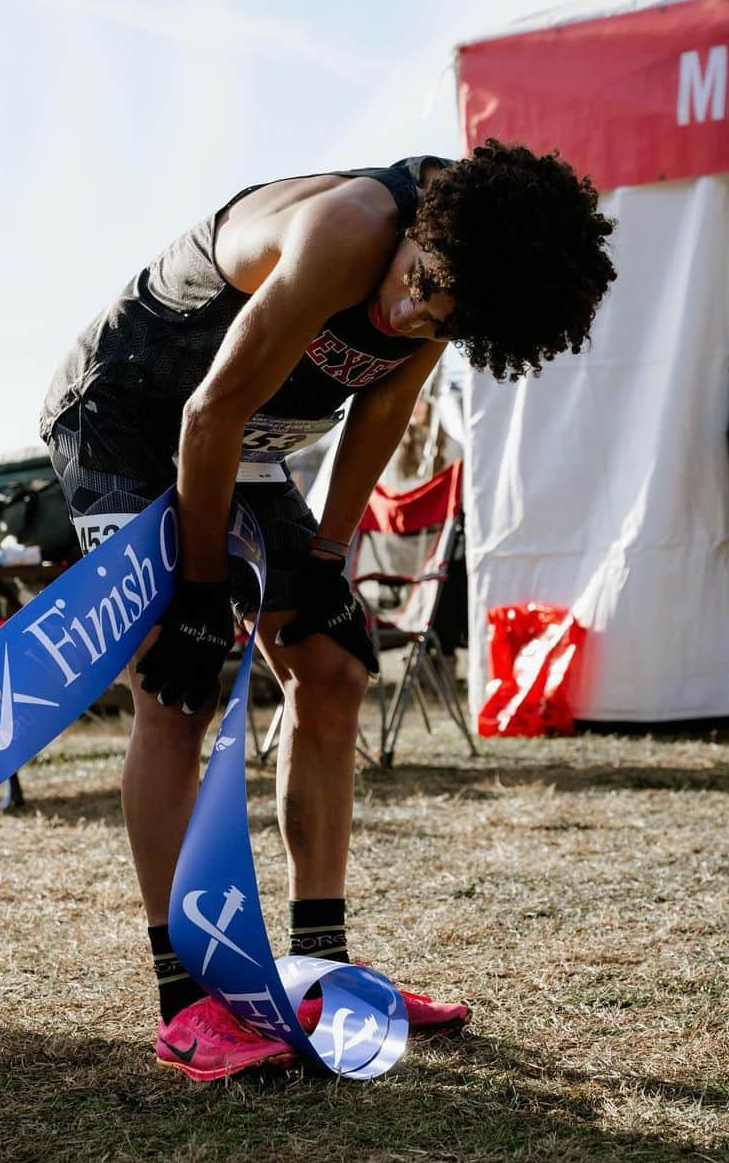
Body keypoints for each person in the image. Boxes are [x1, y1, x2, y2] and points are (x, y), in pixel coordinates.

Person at [40, 139, 616, 1081]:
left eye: (444, 311)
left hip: (248, 429)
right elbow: (206, 415)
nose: (412, 312)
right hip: (134, 410)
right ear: (422, 232)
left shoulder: (460, 268)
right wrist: (194, 594)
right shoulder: (351, 229)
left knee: (334, 665)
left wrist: (324, 561)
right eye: (421, 280)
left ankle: (320, 967)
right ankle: (183, 1003)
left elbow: (382, 414)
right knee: (178, 686)